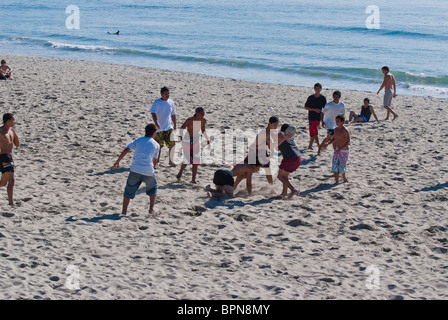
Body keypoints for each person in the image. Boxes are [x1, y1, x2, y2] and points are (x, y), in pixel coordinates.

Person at [113, 124, 160, 215]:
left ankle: (124, 212)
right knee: (153, 189)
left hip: (135, 170)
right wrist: (153, 167)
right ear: (154, 133)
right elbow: (155, 160)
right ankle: (151, 209)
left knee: (128, 191)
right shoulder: (156, 144)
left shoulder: (138, 140)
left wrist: (118, 161)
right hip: (148, 171)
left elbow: (127, 149)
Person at [176, 107, 210, 184]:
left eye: (203, 114)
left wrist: (207, 139)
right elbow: (181, 128)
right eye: (201, 114)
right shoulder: (190, 120)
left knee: (196, 161)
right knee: (187, 160)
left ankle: (193, 179)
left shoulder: (203, 121)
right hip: (188, 140)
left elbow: (203, 130)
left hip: (196, 140)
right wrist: (181, 139)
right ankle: (180, 172)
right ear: (197, 113)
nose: (203, 115)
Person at [245, 116, 279, 184]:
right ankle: (238, 186)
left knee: (268, 170)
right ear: (269, 124)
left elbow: (270, 146)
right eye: (274, 125)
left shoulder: (270, 132)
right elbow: (271, 146)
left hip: (262, 150)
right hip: (254, 151)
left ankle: (271, 185)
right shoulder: (266, 133)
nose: (276, 127)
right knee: (248, 171)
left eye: (277, 125)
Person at [149, 86, 177, 166]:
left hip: (169, 127)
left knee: (172, 143)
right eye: (166, 94)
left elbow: (173, 114)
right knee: (158, 146)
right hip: (159, 128)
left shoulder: (171, 102)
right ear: (162, 94)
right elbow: (153, 112)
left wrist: (175, 124)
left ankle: (171, 161)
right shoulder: (157, 102)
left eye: (168, 94)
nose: (167, 95)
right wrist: (156, 122)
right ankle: (157, 161)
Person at [321, 115, 350, 184]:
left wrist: (341, 148)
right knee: (335, 164)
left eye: (338, 121)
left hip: (344, 151)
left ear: (342, 122)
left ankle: (344, 178)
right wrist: (328, 143)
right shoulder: (335, 129)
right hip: (337, 150)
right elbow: (334, 139)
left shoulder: (345, 130)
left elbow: (348, 141)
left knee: (341, 166)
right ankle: (336, 181)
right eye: (336, 121)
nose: (336, 122)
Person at [0, 113, 20, 206]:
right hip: (4, 157)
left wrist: (15, 136)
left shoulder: (12, 130)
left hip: (9, 156)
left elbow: (17, 144)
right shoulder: (0, 131)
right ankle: (11, 202)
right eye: (13, 120)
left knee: (4, 183)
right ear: (7, 121)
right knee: (11, 179)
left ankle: (11, 202)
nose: (14, 121)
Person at [318, 91, 345, 155]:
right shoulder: (328, 104)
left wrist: (342, 123)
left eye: (337, 97)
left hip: (336, 123)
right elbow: (322, 113)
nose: (336, 98)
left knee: (335, 138)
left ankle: (334, 151)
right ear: (333, 97)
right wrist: (322, 122)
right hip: (328, 122)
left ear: (339, 97)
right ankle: (320, 148)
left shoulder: (342, 105)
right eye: (334, 96)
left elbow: (343, 114)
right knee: (329, 137)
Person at [277, 124, 301, 198]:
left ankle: (293, 190)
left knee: (280, 176)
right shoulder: (290, 137)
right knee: (285, 176)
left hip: (291, 159)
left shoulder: (281, 136)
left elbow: (275, 147)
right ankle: (284, 192)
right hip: (298, 157)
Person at [304, 83, 327, 150]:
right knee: (314, 132)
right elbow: (306, 107)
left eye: (318, 88)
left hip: (318, 118)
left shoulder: (322, 98)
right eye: (316, 88)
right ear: (314, 89)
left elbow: (325, 109)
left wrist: (323, 119)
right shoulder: (311, 97)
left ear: (321, 89)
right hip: (311, 117)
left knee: (314, 132)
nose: (317, 90)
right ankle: (318, 146)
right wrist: (314, 110)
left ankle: (310, 146)